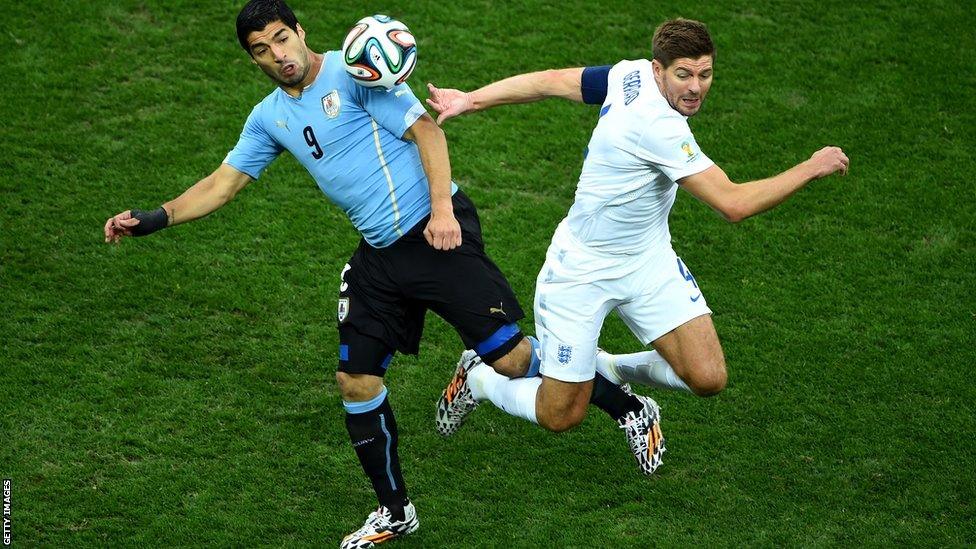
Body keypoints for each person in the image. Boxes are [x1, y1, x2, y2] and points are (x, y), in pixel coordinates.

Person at [102, 1, 645, 547]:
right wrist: (156, 218)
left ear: (299, 32)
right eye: (261, 50)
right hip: (379, 257)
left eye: (281, 38)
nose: (278, 55)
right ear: (253, 59)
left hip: (436, 236)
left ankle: (628, 407)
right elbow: (223, 183)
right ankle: (395, 511)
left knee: (514, 359)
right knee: (355, 380)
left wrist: (441, 212)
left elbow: (429, 135)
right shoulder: (269, 116)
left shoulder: (357, 69)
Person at [429, 18, 849, 472]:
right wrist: (811, 166)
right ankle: (480, 377)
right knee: (560, 414)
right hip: (581, 271)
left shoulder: (628, 75)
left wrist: (473, 99)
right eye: (684, 75)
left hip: (648, 261)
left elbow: (553, 82)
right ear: (658, 69)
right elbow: (733, 204)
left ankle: (604, 367)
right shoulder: (658, 127)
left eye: (705, 74)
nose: (696, 88)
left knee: (707, 377)